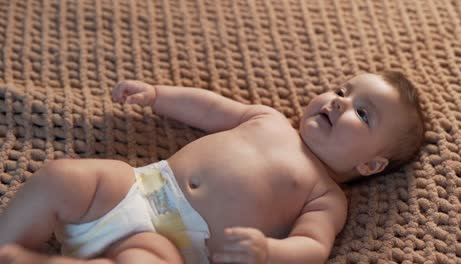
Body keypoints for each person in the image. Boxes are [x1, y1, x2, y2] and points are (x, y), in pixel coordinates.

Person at [0, 71, 425, 264]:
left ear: (370, 164)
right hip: (136, 186)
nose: (338, 101)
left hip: (174, 244)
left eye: (362, 114)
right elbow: (209, 107)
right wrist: (158, 95)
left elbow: (313, 249)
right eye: (341, 89)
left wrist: (269, 252)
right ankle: (8, 244)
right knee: (62, 176)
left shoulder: (325, 197)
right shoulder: (269, 118)